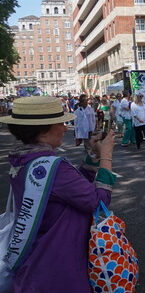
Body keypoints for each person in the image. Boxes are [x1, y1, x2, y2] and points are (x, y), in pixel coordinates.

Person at [0, 96, 117, 292]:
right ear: (43, 131)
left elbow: (72, 188)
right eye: (60, 123)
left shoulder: (23, 160)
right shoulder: (52, 166)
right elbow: (98, 202)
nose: (64, 128)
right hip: (59, 265)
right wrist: (106, 156)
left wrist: (94, 155)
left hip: (37, 261)